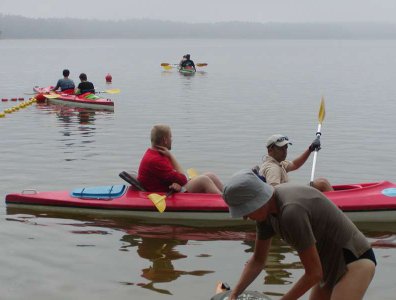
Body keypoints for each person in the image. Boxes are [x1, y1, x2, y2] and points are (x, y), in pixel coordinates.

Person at [222, 169, 376, 300]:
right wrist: (234, 295)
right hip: (327, 267)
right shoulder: (266, 213)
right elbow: (257, 260)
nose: (245, 217)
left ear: (259, 200)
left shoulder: (291, 211)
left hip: (354, 260)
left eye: (246, 210)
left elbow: (313, 273)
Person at [137, 124, 223, 194]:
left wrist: (176, 182)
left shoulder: (155, 154)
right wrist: (171, 156)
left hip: (173, 187)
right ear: (165, 140)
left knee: (211, 175)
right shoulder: (156, 160)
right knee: (204, 180)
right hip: (168, 193)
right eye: (170, 137)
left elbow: (172, 176)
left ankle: (230, 196)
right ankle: (225, 204)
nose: (172, 140)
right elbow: (183, 179)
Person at [259, 134, 334, 192]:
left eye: (286, 148)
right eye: (281, 148)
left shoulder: (277, 163)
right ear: (270, 150)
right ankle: (337, 207)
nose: (285, 151)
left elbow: (295, 165)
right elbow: (274, 192)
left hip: (290, 195)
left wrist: (310, 149)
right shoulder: (273, 168)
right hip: (289, 199)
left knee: (322, 183)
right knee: (322, 183)